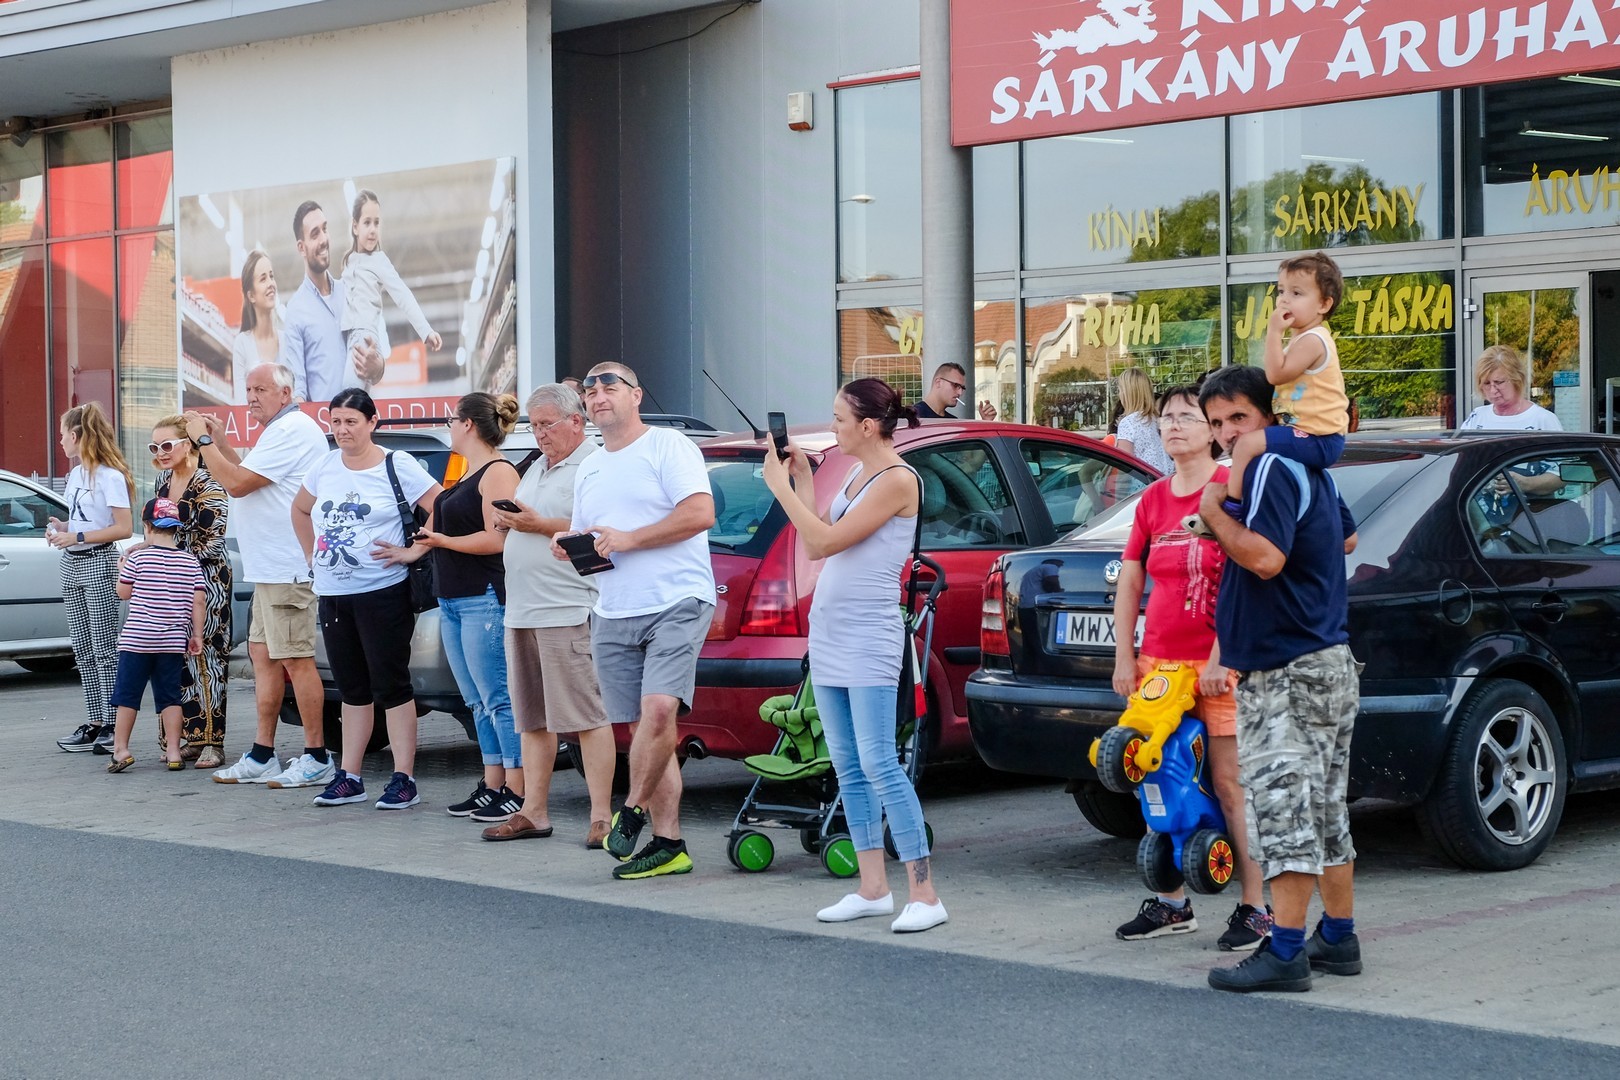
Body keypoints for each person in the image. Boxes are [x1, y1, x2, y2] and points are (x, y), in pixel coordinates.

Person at [1195, 364, 1363, 994]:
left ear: (1270, 417)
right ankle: (1338, 937)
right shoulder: (1310, 469)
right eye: (1217, 423)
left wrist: (1215, 514)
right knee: (1325, 808)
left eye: (1239, 417)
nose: (1227, 433)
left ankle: (1286, 951)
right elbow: (1347, 540)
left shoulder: (1268, 465)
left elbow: (1265, 558)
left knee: (1284, 808)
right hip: (1327, 659)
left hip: (1286, 668)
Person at [762, 377, 948, 934]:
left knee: (879, 763)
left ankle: (925, 894)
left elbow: (823, 542)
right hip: (831, 632)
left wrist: (779, 489)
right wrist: (801, 479)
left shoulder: (898, 480)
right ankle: (872, 888)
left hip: (869, 635)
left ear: (868, 426)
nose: (833, 427)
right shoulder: (856, 473)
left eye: (840, 419)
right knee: (847, 764)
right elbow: (819, 535)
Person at [1110, 385, 1269, 951]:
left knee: (1229, 784)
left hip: (1218, 665)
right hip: (1158, 663)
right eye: (1166, 417)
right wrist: (1125, 656)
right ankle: (1173, 904)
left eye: (1187, 416)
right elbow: (1131, 578)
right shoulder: (1152, 500)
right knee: (1156, 773)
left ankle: (1256, 908)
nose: (1174, 425)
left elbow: (1247, 581)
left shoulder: (1229, 490)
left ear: (1212, 431)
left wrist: (1222, 657)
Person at [559, 362, 716, 880]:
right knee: (649, 730)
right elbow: (591, 534)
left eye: (610, 385)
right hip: (613, 609)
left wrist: (630, 539)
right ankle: (669, 845)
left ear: (636, 395)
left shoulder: (668, 445)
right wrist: (570, 546)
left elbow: (700, 514)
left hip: (676, 600)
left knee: (659, 710)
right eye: (590, 389)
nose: (598, 394)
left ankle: (630, 812)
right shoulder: (590, 466)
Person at [293, 388, 443, 810]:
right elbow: (300, 510)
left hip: (383, 591)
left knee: (391, 685)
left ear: (372, 422)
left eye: (351, 422)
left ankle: (404, 778)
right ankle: (350, 776)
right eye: (336, 422)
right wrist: (310, 555)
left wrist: (415, 550)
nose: (342, 430)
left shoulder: (397, 464)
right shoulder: (324, 465)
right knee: (351, 688)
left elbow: (440, 507)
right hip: (334, 594)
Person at [483, 383, 617, 847]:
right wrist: (511, 523)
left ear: (576, 421)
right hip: (522, 610)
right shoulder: (537, 466)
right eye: (534, 425)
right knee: (532, 719)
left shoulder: (595, 464)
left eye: (547, 424)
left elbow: (601, 530)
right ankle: (533, 812)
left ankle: (602, 817)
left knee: (586, 717)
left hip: (568, 608)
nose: (539, 433)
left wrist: (536, 524)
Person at [187, 365, 333, 789]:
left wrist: (203, 442)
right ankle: (262, 754)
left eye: (261, 389)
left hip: (287, 569)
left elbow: (236, 484)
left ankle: (317, 756)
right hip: (270, 570)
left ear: (285, 393)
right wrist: (221, 443)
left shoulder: (292, 430)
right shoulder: (278, 431)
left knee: (295, 661)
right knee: (264, 658)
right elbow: (248, 474)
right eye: (248, 389)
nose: (251, 396)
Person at [413, 392, 525, 824]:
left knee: (498, 698)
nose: (448, 426)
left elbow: (497, 539)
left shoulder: (498, 472)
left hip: (483, 597)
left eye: (451, 419)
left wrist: (442, 541)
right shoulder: (465, 471)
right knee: (476, 700)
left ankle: (517, 789)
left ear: (468, 425)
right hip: (453, 599)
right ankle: (492, 783)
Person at [1222, 252, 1350, 514]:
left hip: (1319, 439)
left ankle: (1233, 508)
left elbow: (1275, 374)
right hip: (1312, 436)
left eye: (1297, 293)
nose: (1284, 300)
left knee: (1246, 445)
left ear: (1324, 304)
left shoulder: (1313, 340)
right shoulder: (1303, 339)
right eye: (1281, 291)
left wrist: (1273, 331)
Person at [149, 415, 232, 770]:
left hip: (207, 579)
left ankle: (213, 742)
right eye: (154, 447)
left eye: (167, 445)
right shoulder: (163, 480)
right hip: (171, 580)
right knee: (175, 655)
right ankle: (188, 738)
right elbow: (156, 530)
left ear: (188, 444)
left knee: (208, 658)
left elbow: (214, 541)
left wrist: (171, 557)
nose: (161, 452)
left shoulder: (208, 480)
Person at [52, 403, 135, 755]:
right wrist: (63, 528)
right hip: (71, 562)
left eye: (62, 434)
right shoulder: (75, 475)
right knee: (83, 650)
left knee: (104, 649)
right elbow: (83, 520)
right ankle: (96, 720)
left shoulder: (110, 476)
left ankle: (113, 723)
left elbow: (123, 528)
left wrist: (78, 536)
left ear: (75, 436)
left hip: (98, 562)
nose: (59, 441)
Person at [104, 498, 206, 774]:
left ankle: (121, 750)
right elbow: (198, 601)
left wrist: (122, 570)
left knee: (127, 696)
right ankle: (173, 751)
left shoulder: (137, 559)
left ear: (147, 526)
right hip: (171, 642)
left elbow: (123, 593)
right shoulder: (189, 561)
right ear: (175, 528)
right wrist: (196, 635)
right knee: (170, 697)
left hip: (137, 641)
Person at [280, 200, 385, 403]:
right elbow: (298, 389)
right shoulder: (296, 310)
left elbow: (377, 367)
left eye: (325, 229)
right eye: (315, 234)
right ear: (301, 247)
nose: (324, 239)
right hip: (323, 422)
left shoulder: (350, 292)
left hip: (359, 416)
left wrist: (377, 365)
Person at [339, 189, 442, 366]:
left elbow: (403, 295)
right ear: (355, 227)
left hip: (365, 337)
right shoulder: (349, 262)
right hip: (345, 339)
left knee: (351, 384)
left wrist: (426, 331)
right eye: (367, 223)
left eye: (376, 223)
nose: (373, 229)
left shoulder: (379, 261)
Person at [1460, 345, 1562, 431]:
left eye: (1499, 382)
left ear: (1516, 379)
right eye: (1486, 383)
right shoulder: (1477, 417)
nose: (1493, 390)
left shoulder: (1543, 420)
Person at [232, 249, 282, 396]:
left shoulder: (288, 340)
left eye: (271, 276)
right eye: (263, 279)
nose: (271, 283)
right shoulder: (242, 344)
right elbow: (241, 402)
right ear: (251, 296)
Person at [1112, 367, 1171, 473]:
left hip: (1145, 480)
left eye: (1120, 390)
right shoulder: (1160, 418)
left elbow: (1124, 466)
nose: (1119, 394)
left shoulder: (1128, 423)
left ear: (1127, 393)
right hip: (1167, 476)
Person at [913, 362, 996, 420]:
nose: (960, 393)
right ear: (938, 382)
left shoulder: (952, 421)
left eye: (962, 388)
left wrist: (986, 421)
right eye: (955, 385)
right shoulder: (913, 416)